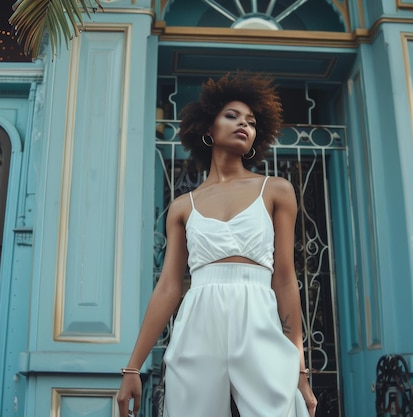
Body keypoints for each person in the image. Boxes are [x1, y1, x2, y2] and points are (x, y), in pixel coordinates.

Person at [116, 73, 317, 417]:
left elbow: (284, 279)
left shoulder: (276, 190)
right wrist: (133, 368)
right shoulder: (182, 206)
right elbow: (168, 286)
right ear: (208, 129)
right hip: (198, 321)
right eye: (232, 116)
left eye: (251, 122)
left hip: (258, 319)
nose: (243, 124)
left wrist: (299, 370)